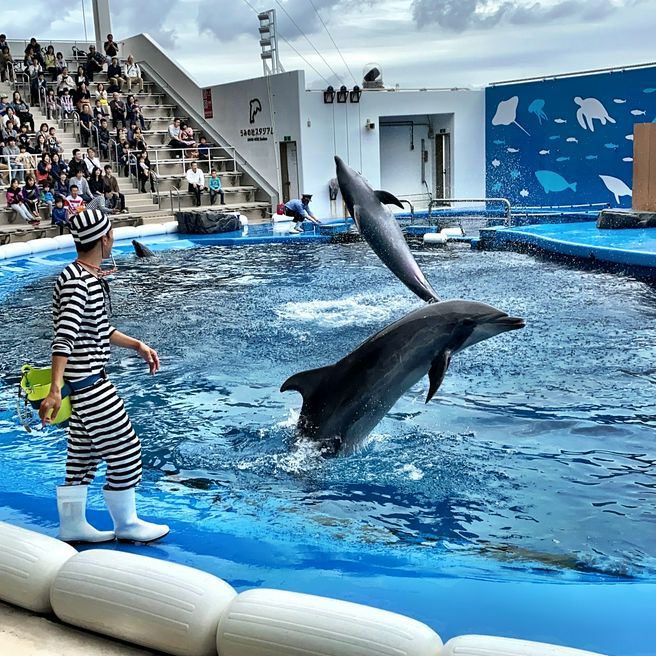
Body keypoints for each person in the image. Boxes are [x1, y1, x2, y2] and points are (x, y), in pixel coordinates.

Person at [38, 209, 169, 544]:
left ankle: (72, 525)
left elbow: (98, 328)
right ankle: (126, 524)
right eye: (111, 233)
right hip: (89, 384)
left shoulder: (78, 275)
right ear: (103, 238)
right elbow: (64, 337)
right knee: (127, 450)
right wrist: (54, 390)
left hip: (80, 384)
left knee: (82, 456)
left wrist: (136, 344)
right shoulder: (80, 284)